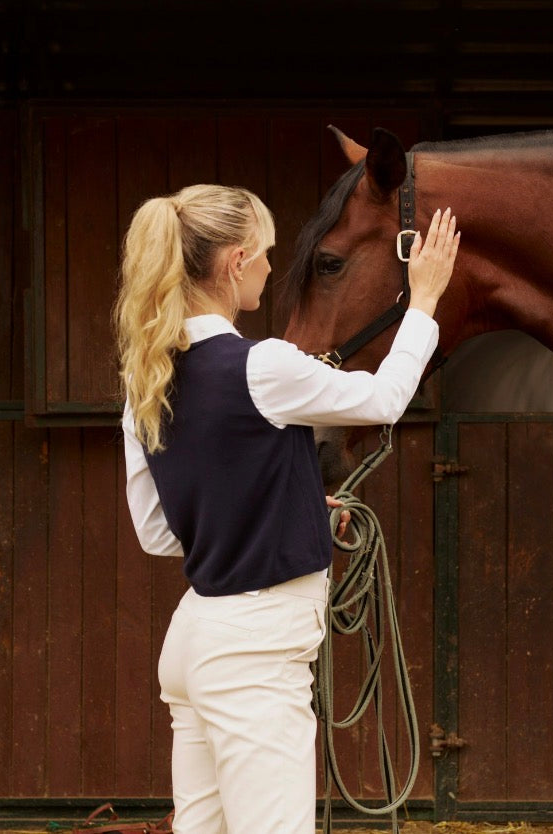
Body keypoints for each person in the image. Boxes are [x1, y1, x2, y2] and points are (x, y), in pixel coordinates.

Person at [115, 183, 459, 834]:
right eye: (267, 254)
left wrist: (289, 506)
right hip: (255, 647)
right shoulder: (262, 367)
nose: (274, 269)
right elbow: (385, 399)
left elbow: (160, 533)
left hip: (195, 642)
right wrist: (426, 299)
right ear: (235, 262)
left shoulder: (144, 383)